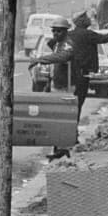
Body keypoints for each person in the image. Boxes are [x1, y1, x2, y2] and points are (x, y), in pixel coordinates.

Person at [27, 15, 75, 161]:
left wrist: (40, 60)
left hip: (66, 86)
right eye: (54, 31)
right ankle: (58, 148)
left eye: (59, 31)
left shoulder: (68, 44)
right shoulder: (57, 44)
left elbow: (62, 57)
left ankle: (63, 148)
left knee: (63, 118)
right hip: (57, 83)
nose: (56, 34)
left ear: (66, 32)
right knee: (55, 117)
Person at [65, 11, 108, 123]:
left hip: (70, 75)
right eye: (86, 17)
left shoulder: (69, 35)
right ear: (81, 21)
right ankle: (73, 129)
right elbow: (106, 38)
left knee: (70, 104)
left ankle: (70, 128)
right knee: (78, 104)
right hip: (82, 75)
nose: (89, 19)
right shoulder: (87, 34)